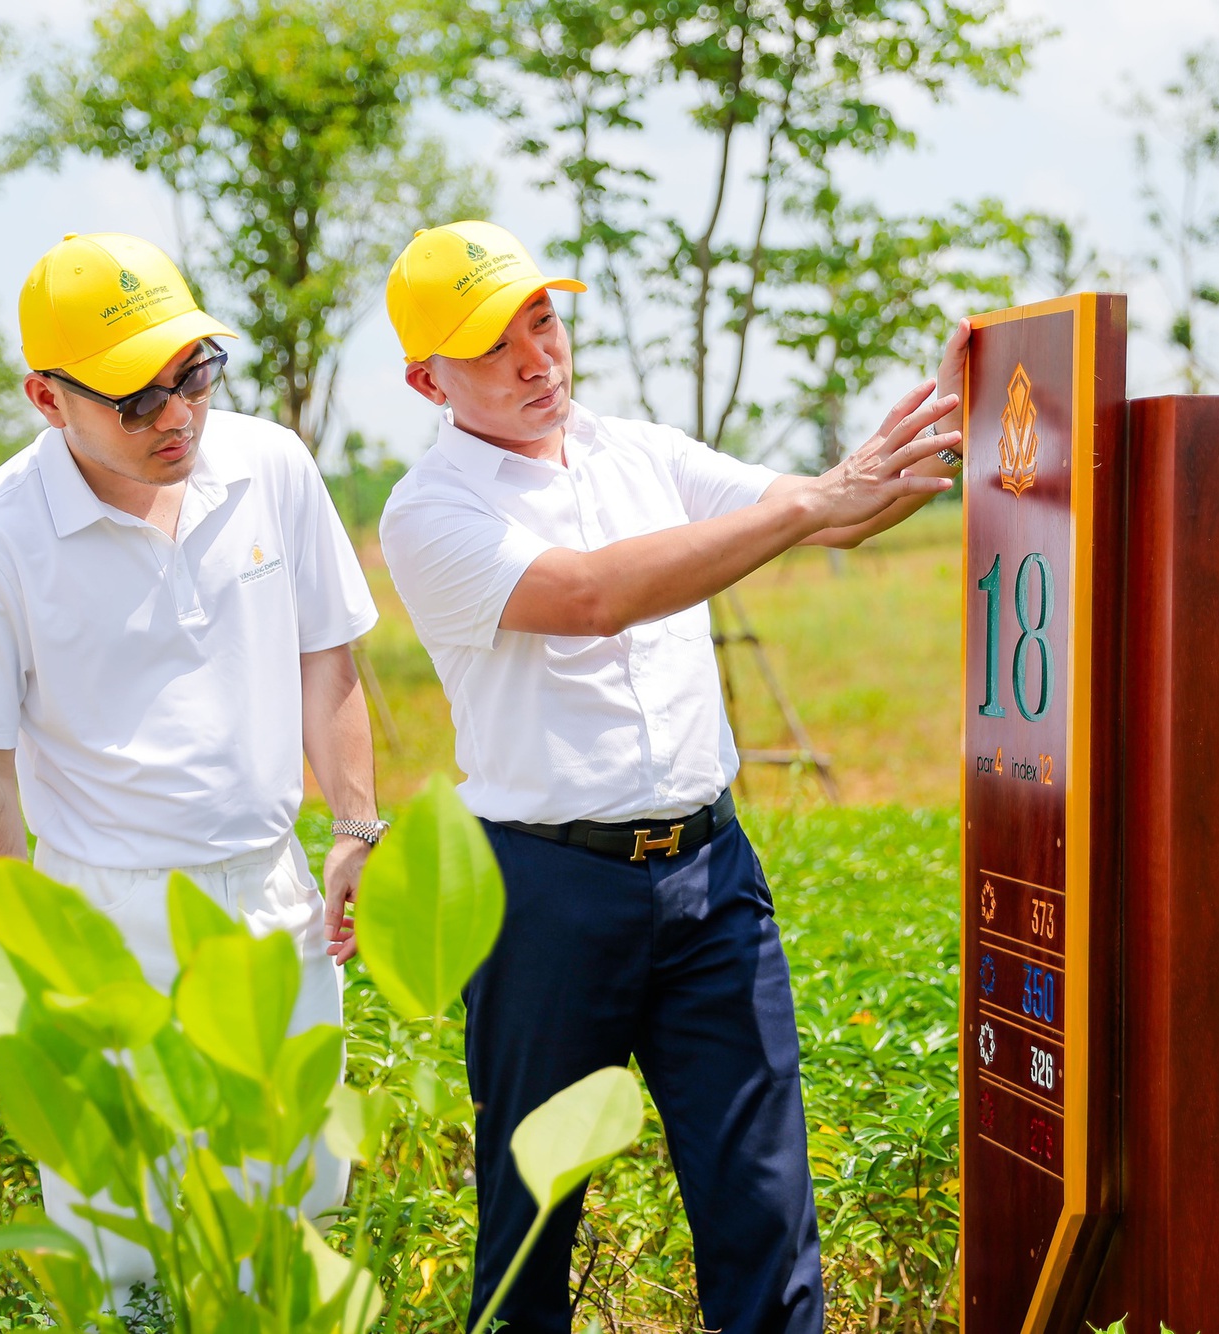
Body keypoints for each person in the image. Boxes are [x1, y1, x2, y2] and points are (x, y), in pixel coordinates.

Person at [376, 220, 967, 1334]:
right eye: (491, 345)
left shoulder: (639, 451)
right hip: (542, 894)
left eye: (541, 321)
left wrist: (950, 425)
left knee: (762, 1205)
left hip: (710, 878)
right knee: (531, 1222)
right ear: (425, 378)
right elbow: (592, 593)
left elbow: (841, 512)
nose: (533, 358)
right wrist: (804, 504)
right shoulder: (430, 511)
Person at [0, 231, 387, 1297]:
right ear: (43, 396)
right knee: (129, 1255)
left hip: (268, 900)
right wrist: (20, 987)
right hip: (103, 924)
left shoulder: (272, 469)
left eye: (193, 374)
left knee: (291, 1230)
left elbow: (325, 659)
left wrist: (354, 823)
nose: (178, 416)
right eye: (136, 398)